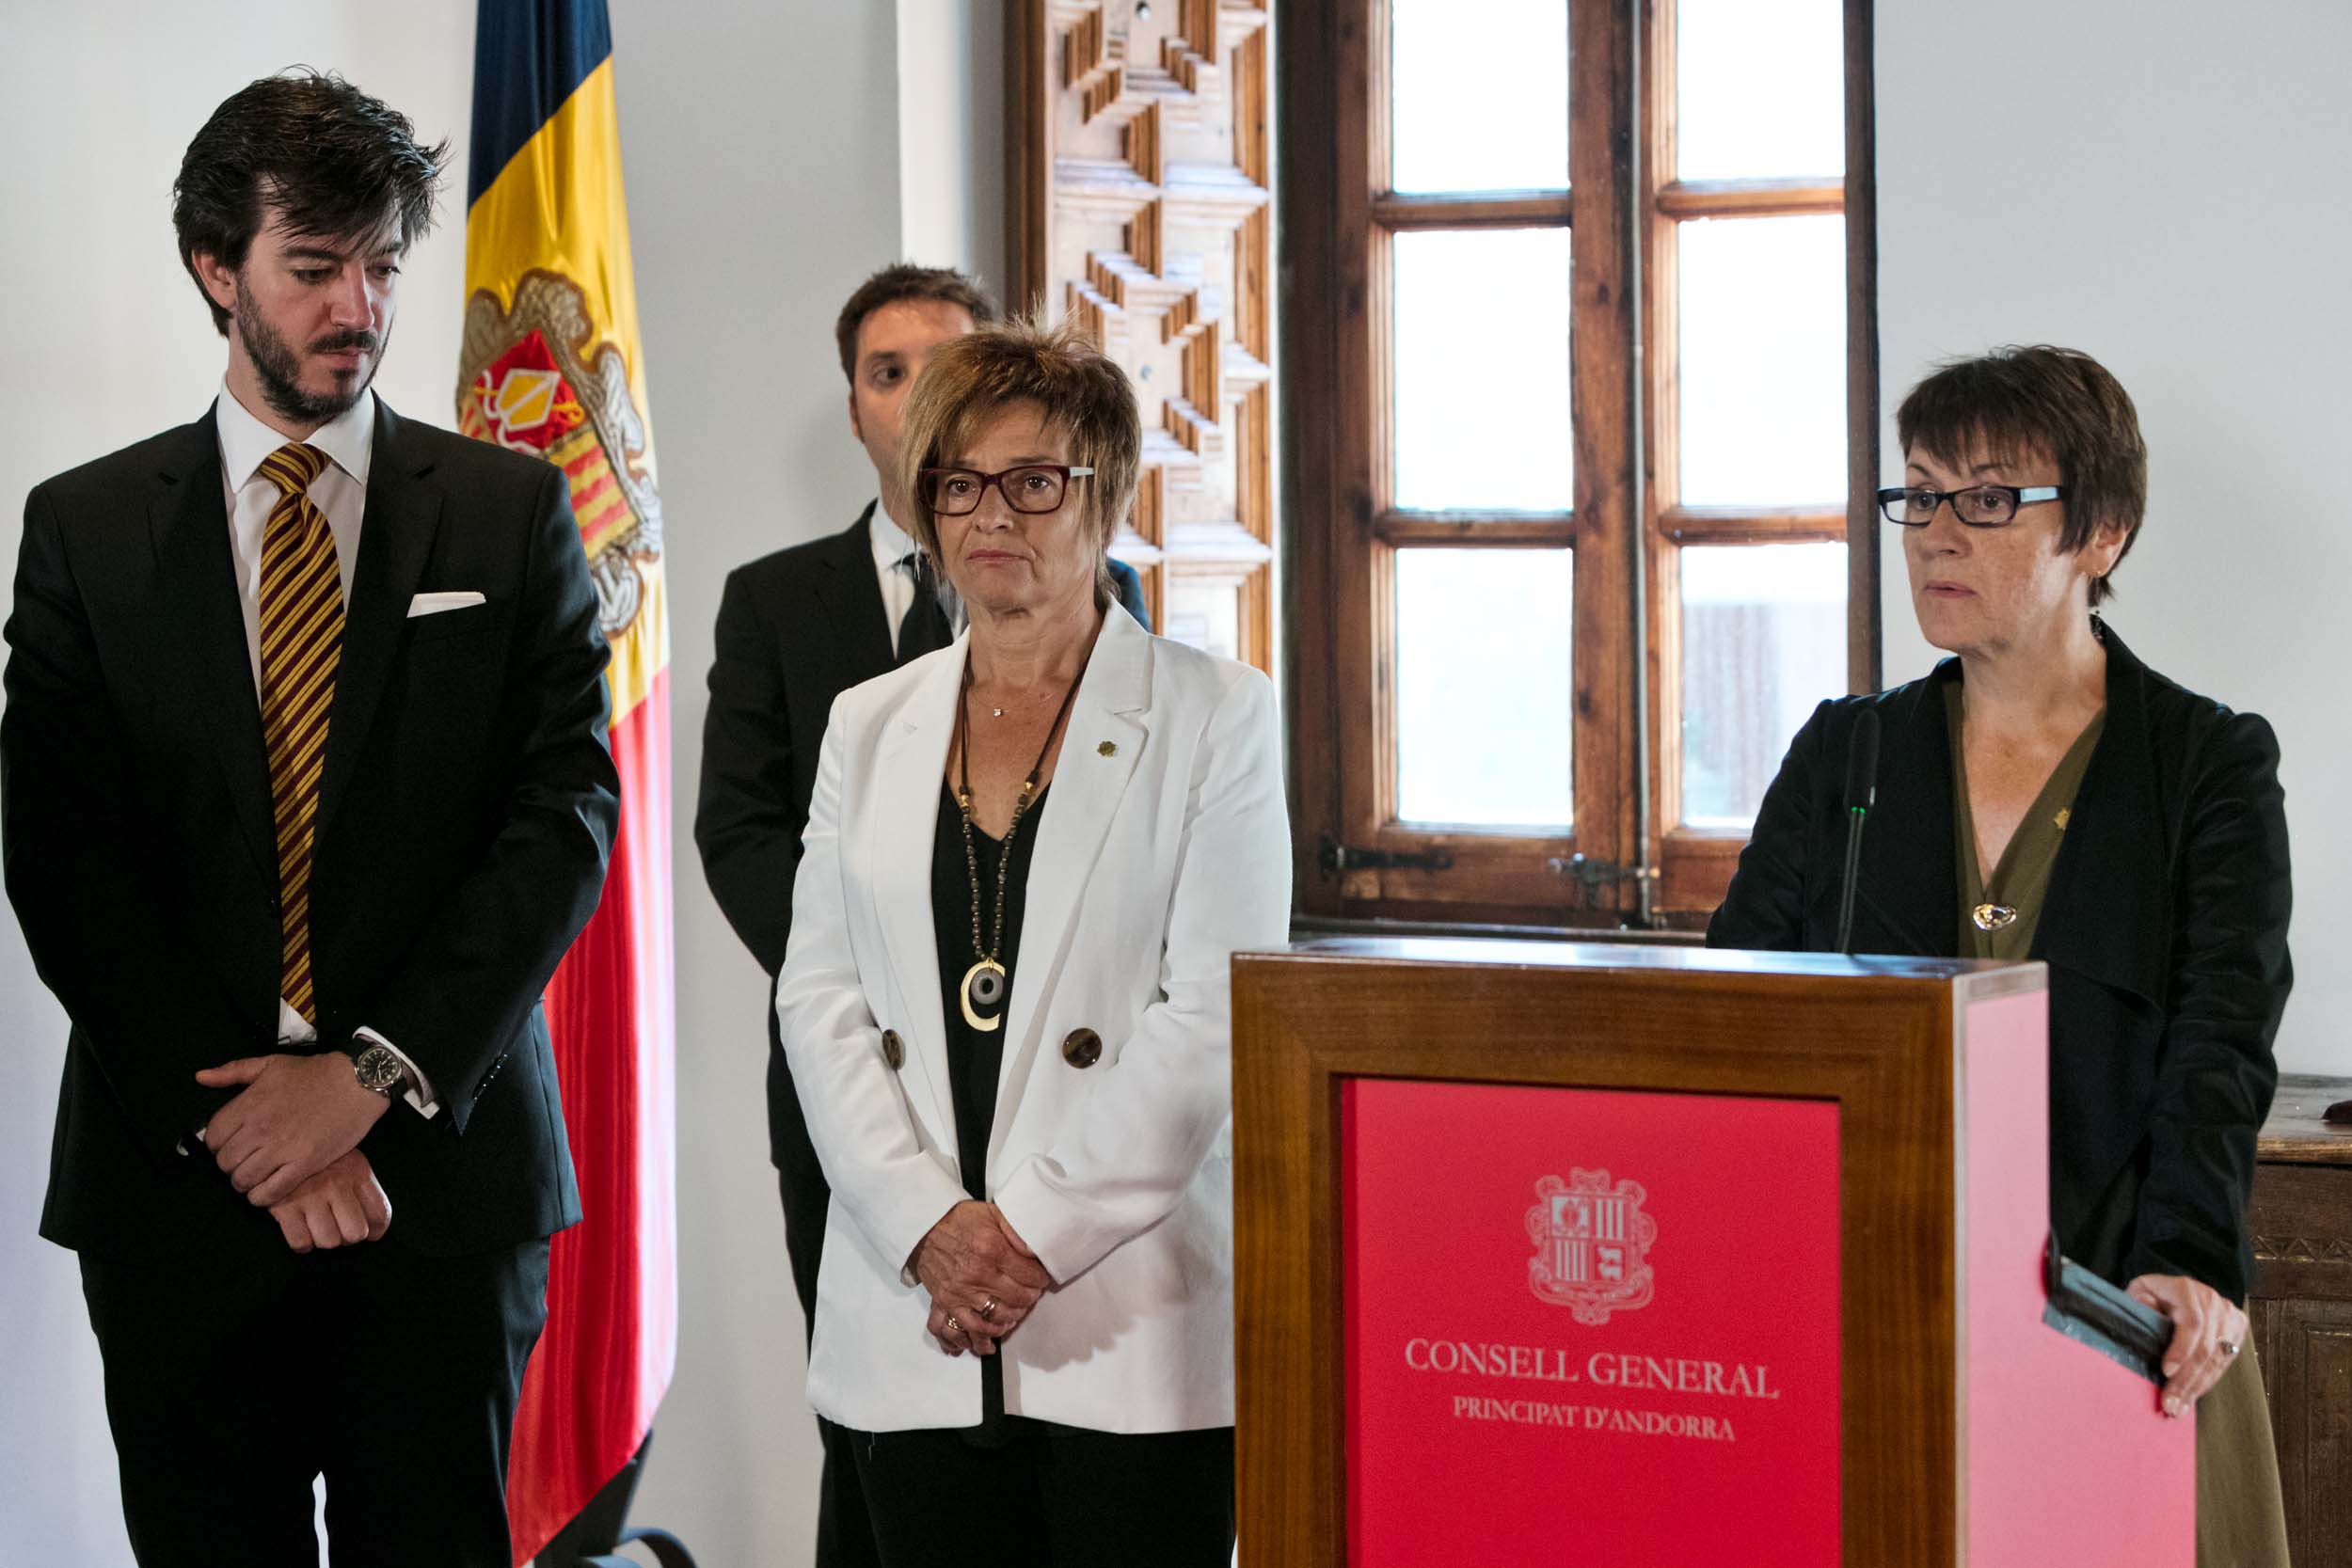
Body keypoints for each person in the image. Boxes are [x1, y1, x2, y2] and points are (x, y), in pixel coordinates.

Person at [2, 71, 617, 1565]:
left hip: (442, 1187)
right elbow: (62, 850)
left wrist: (370, 1078)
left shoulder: (510, 510)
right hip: (179, 1191)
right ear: (216, 268)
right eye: (315, 265)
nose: (360, 306)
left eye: (383, 266)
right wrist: (253, 1126)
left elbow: (561, 819)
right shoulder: (84, 528)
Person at [1708, 344, 2291, 1565]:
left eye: (1985, 498)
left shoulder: (2204, 765)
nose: (1934, 534)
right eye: (1919, 494)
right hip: (1874, 1311)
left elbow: (2221, 1040)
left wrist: (2188, 1263)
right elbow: (1739, 1019)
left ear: (2102, 532)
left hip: (2124, 1304)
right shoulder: (1846, 756)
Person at [773, 315, 1290, 1565]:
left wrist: (1026, 1240)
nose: (991, 514)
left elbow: (1212, 1017)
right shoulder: (866, 721)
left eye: (1033, 481)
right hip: (914, 1307)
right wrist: (928, 1229)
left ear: (1104, 496)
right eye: (958, 483)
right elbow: (819, 995)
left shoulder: (1216, 714)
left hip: (1125, 1311)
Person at [694, 262, 1149, 1566]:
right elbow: (741, 832)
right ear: (855, 408)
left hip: (1061, 1114)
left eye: (943, 367)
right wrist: (866, 981)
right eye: (888, 373)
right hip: (854, 1099)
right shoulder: (777, 598)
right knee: (878, 1436)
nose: (917, 396)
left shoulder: (1106, 602)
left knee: (1055, 1451)